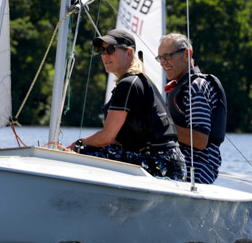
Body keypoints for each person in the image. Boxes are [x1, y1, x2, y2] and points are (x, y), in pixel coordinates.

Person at [67, 29, 186, 181]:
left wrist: (76, 145)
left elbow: (106, 137)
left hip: (159, 164)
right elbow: (115, 141)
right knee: (98, 150)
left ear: (129, 53)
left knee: (84, 152)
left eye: (110, 49)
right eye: (101, 50)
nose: (104, 55)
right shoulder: (137, 81)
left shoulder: (128, 84)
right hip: (171, 165)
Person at [157, 33, 226, 184]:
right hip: (178, 162)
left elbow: (200, 140)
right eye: (160, 58)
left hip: (197, 168)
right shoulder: (181, 88)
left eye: (167, 56)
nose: (162, 63)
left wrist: (160, 126)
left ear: (187, 55)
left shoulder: (196, 87)